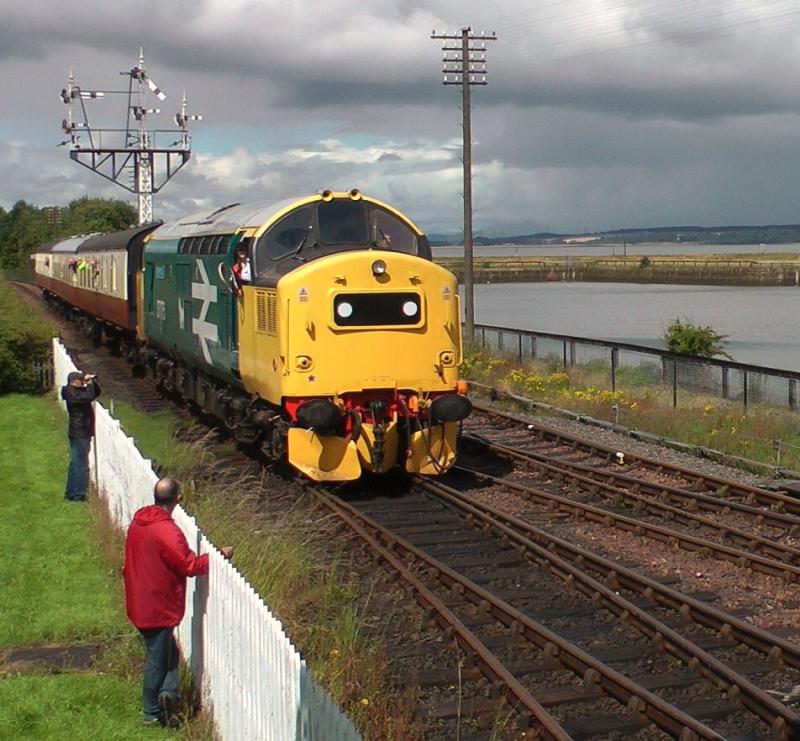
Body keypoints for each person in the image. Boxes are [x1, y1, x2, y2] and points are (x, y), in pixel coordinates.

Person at [123, 477, 232, 727]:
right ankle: (151, 712)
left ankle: (169, 693)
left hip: (140, 598)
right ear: (178, 499)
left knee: (169, 653)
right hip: (157, 605)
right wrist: (218, 556)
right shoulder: (168, 531)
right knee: (157, 660)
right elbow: (189, 565)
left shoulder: (141, 520)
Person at [61, 370, 101, 501]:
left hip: (79, 432)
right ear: (73, 382)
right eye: (80, 381)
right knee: (81, 465)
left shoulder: (74, 392)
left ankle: (71, 492)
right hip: (80, 432)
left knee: (75, 463)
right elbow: (88, 397)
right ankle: (78, 494)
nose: (83, 383)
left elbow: (95, 394)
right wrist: (89, 383)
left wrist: (92, 382)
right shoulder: (71, 393)